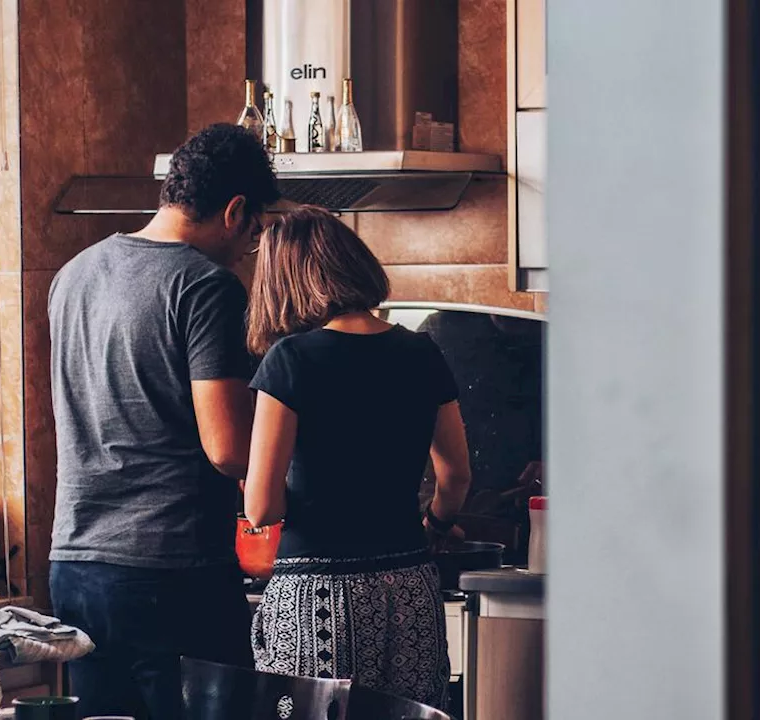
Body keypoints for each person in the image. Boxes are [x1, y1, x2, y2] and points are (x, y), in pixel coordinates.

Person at [47, 123, 279, 719]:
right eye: (253, 235)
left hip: (75, 565)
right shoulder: (206, 286)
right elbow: (228, 449)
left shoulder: (73, 275)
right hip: (172, 572)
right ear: (235, 211)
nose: (246, 251)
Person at [242, 206, 473, 710]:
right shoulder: (421, 352)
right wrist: (434, 524)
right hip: (409, 586)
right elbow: (454, 474)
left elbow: (261, 508)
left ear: (283, 281)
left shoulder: (291, 360)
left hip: (317, 596)